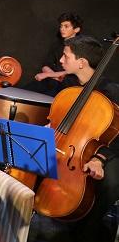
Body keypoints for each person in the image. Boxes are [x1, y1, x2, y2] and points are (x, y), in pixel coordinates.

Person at [28, 35, 119, 242]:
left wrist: (100, 159)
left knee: (110, 183)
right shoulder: (69, 87)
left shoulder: (111, 93)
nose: (60, 61)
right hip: (70, 150)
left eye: (65, 56)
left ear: (81, 62)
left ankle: (90, 232)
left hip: (107, 152)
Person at [34, 12, 83, 83]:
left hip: (68, 84)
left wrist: (48, 75)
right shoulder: (57, 45)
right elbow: (46, 65)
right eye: (61, 26)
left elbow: (74, 70)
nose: (62, 29)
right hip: (52, 80)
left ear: (76, 29)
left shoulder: (82, 46)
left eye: (66, 26)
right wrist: (54, 77)